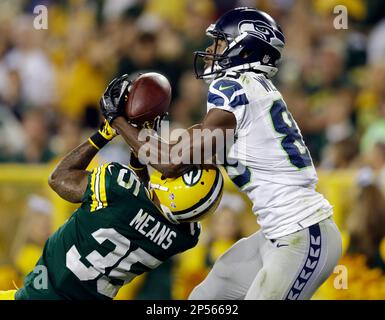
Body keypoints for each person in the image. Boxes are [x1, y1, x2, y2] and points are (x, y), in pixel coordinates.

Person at [101, 7, 342, 300]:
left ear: (245, 47)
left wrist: (117, 121)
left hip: (303, 232)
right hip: (277, 234)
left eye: (219, 42)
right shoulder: (250, 91)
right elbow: (177, 150)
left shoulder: (232, 88)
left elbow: (171, 164)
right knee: (204, 298)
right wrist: (143, 134)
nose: (210, 49)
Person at [0, 119, 223, 300]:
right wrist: (139, 152)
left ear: (176, 189)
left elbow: (59, 178)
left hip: (44, 294)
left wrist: (108, 129)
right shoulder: (185, 237)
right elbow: (146, 204)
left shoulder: (117, 187)